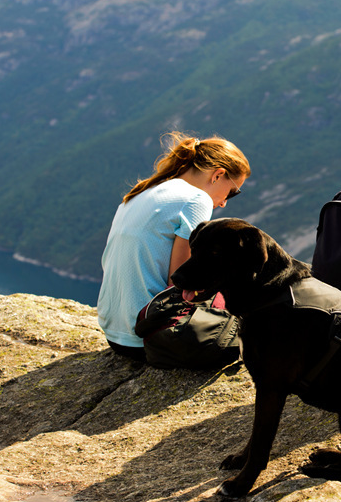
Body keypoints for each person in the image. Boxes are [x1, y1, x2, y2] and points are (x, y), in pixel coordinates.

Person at [97, 131, 251, 361]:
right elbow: (181, 282)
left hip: (115, 334)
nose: (224, 203)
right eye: (233, 191)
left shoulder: (142, 191)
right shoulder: (196, 199)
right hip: (151, 336)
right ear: (218, 175)